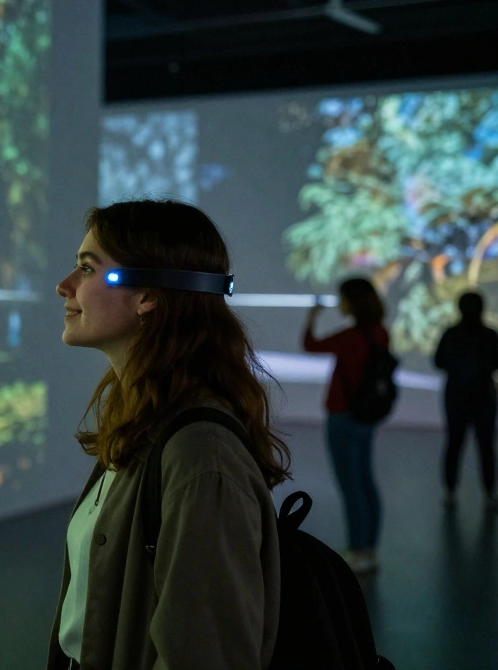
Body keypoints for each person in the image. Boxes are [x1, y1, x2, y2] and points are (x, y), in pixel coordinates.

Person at [46, 200, 289, 670]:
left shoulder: (200, 456)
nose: (65, 286)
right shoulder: (142, 422)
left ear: (147, 295)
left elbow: (208, 655)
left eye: (87, 269)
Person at [302, 278, 390, 574]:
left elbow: (310, 345)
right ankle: (369, 549)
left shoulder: (349, 337)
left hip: (342, 417)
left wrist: (312, 316)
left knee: (350, 486)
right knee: (365, 481)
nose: (340, 303)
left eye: (342, 299)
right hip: (366, 417)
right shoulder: (380, 333)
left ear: (352, 302)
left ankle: (356, 549)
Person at [433, 291, 498, 511]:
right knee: (486, 447)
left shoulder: (451, 334)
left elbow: (439, 362)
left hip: (456, 396)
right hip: (484, 397)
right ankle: (489, 494)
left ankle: (450, 492)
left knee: (454, 444)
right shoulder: (490, 335)